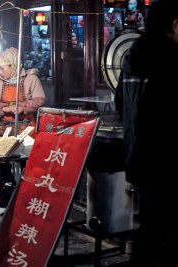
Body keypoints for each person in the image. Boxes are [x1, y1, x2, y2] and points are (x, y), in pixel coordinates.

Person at [115, 1, 178, 266]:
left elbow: (120, 104)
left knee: (150, 226)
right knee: (162, 232)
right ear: (174, 24)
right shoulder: (171, 58)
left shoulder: (132, 56)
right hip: (166, 162)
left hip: (137, 157)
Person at [0, 47, 45, 136]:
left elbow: (39, 100)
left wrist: (22, 107)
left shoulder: (31, 79)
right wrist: (4, 108)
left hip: (27, 126)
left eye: (2, 69)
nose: (0, 72)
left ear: (13, 65)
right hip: (3, 127)